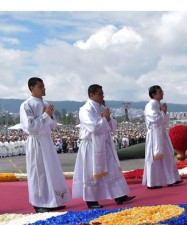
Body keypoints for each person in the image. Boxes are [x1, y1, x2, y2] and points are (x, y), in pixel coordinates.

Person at [72, 84, 135, 209]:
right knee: (91, 171)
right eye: (100, 93)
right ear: (92, 95)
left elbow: (112, 126)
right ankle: (91, 200)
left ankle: (119, 195)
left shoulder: (101, 108)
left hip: (104, 144)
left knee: (112, 169)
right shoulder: (85, 109)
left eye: (102, 93)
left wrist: (108, 119)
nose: (102, 96)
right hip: (91, 145)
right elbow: (93, 127)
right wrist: (104, 119)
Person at [19, 77, 71, 213]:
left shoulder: (46, 103)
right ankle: (39, 202)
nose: (44, 88)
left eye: (44, 86)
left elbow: (52, 125)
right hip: (36, 141)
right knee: (39, 172)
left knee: (52, 170)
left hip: (47, 140)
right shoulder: (26, 105)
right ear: (32, 88)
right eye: (41, 86)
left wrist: (51, 116)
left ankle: (54, 200)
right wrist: (45, 116)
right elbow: (30, 126)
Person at [143, 85, 182, 190]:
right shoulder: (150, 105)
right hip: (154, 135)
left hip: (162, 133)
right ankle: (153, 182)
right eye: (160, 92)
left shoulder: (159, 105)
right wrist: (162, 112)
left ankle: (171, 179)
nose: (162, 93)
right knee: (154, 158)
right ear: (153, 94)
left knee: (168, 155)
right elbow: (155, 119)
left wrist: (163, 112)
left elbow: (165, 122)